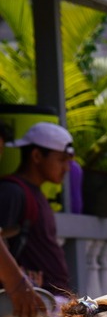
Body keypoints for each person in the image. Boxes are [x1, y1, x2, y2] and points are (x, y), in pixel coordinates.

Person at [1, 122, 75, 299]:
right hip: (29, 305)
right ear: (36, 156)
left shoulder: (36, 193)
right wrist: (18, 282)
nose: (67, 168)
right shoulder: (12, 191)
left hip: (47, 301)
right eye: (61, 160)